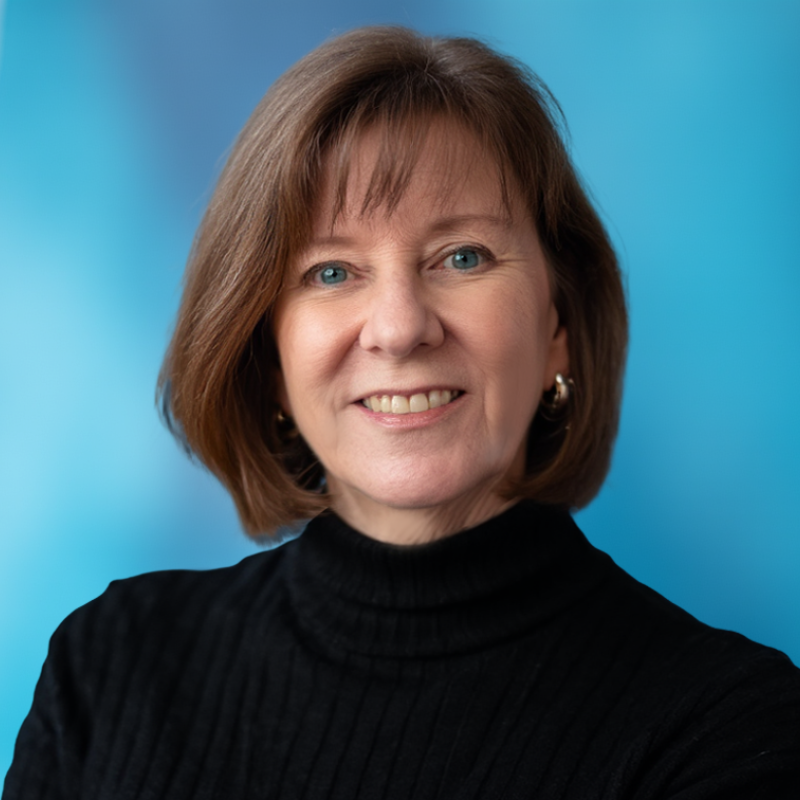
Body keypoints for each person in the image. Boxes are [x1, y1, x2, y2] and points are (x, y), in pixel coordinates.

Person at [4, 26, 799, 800]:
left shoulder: (723, 726)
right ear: (270, 358)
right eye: (331, 271)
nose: (398, 327)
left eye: (463, 257)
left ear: (558, 327)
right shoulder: (112, 668)